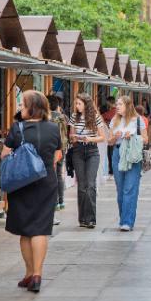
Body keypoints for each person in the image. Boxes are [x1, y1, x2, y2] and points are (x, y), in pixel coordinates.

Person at [1, 91, 61, 293]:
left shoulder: (17, 129)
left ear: (31, 107)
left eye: (22, 104)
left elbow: (4, 154)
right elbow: (57, 154)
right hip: (46, 181)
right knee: (40, 229)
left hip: (21, 184)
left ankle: (28, 274)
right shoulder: (54, 128)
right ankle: (37, 274)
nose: (19, 107)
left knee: (25, 230)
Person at [108, 96, 147, 231]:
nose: (117, 106)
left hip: (132, 155)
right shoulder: (114, 120)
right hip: (118, 154)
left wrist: (132, 136)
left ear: (128, 105)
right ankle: (123, 218)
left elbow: (146, 139)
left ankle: (127, 222)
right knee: (120, 190)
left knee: (129, 189)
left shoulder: (138, 120)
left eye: (120, 104)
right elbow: (110, 142)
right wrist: (116, 136)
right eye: (117, 104)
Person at [69, 93, 106, 228]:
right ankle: (82, 218)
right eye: (76, 103)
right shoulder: (74, 117)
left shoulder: (96, 117)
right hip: (78, 151)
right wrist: (74, 137)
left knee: (90, 184)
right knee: (82, 185)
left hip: (92, 151)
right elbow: (71, 136)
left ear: (86, 104)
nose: (76, 106)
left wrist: (89, 139)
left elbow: (102, 137)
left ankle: (91, 219)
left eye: (79, 103)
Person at [48, 95, 68, 210]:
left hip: (52, 149)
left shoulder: (49, 117)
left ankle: (54, 202)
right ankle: (61, 201)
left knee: (52, 175)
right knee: (59, 174)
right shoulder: (63, 117)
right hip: (62, 148)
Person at [102, 97, 117, 178]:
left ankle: (112, 169)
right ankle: (113, 169)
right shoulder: (116, 111)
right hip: (114, 136)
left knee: (111, 153)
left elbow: (103, 116)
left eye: (108, 103)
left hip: (111, 135)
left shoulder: (113, 111)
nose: (107, 105)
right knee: (112, 153)